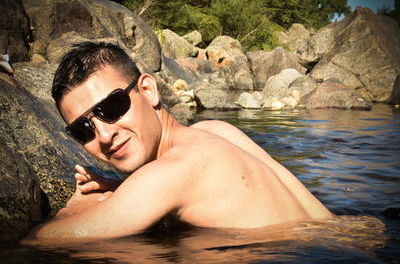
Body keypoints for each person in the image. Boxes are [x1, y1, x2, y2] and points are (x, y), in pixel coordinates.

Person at [27, 41, 332, 241]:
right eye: (83, 129)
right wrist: (123, 189)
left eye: (111, 107)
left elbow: (44, 240)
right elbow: (323, 219)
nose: (104, 136)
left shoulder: (170, 172)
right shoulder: (216, 130)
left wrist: (73, 209)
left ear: (148, 91)